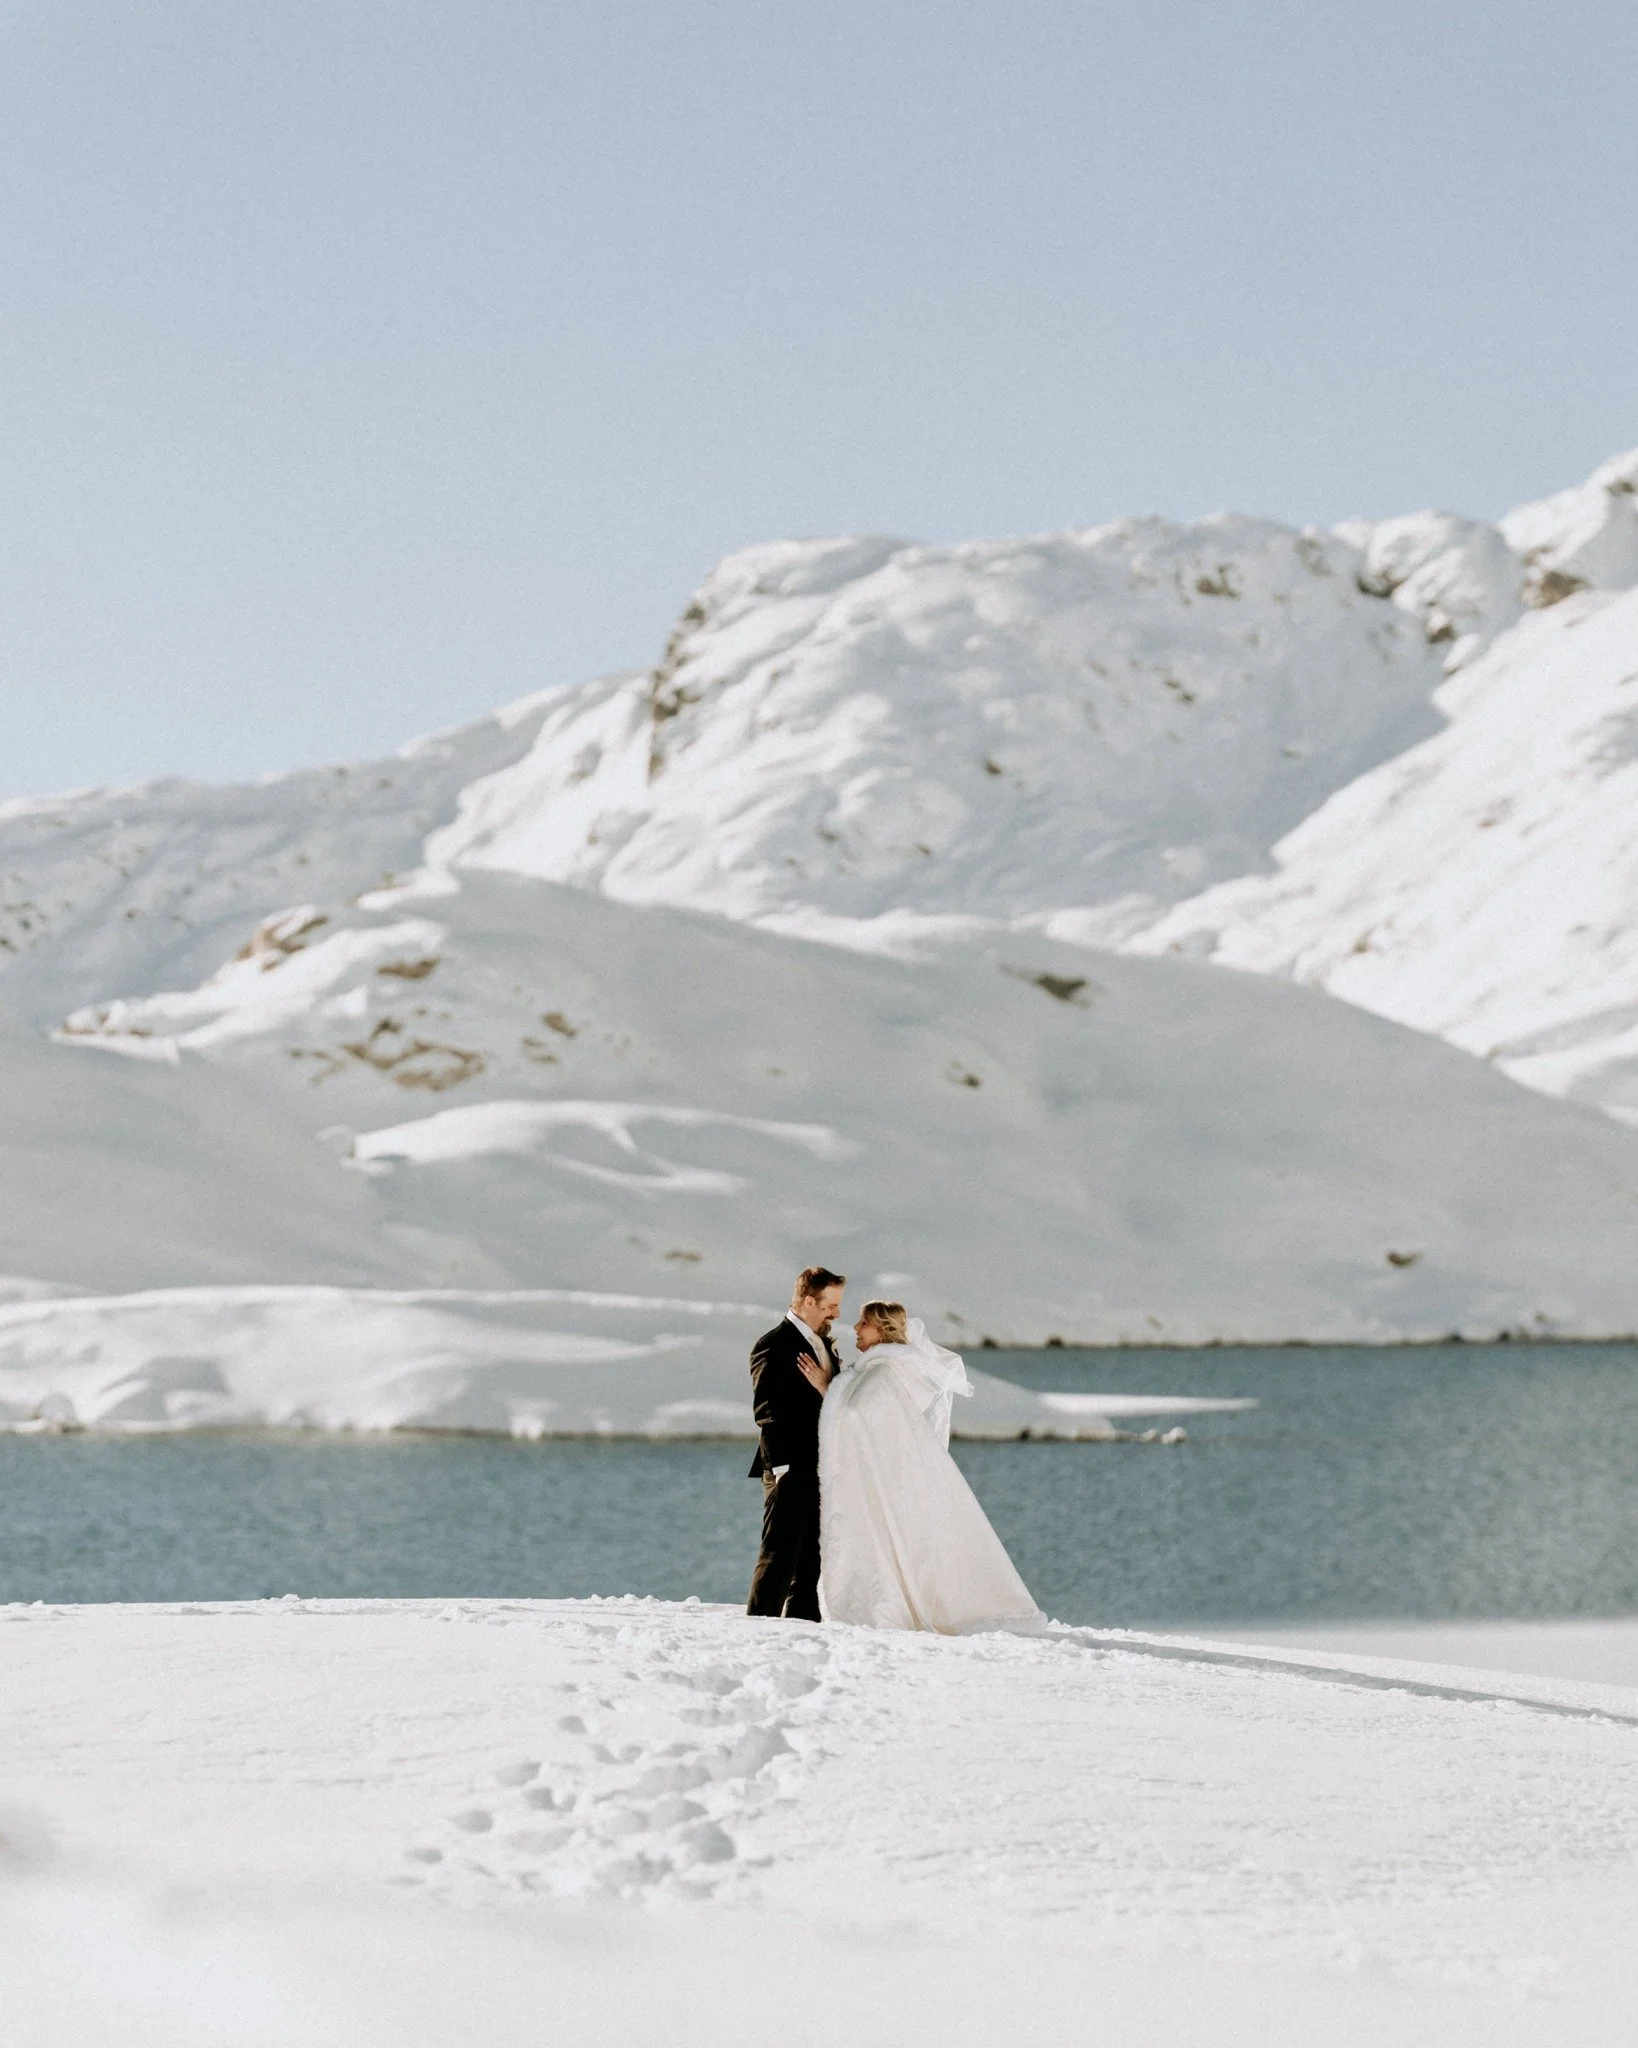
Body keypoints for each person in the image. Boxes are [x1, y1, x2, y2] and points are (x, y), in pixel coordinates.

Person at [818, 1299, 1045, 1634]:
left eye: (863, 1322)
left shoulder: (882, 1373)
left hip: (880, 1481)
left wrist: (830, 1391)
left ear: (881, 1329)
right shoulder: (887, 1369)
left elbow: (858, 1415)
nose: (855, 1328)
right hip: (889, 1479)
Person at [745, 1265, 845, 1621]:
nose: (836, 1313)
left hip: (821, 1464)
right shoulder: (773, 1344)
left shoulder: (824, 1342)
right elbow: (767, 1411)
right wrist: (781, 1467)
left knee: (812, 1557)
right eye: (830, 1305)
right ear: (808, 1301)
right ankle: (760, 1625)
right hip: (788, 1465)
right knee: (779, 1553)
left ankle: (803, 1625)